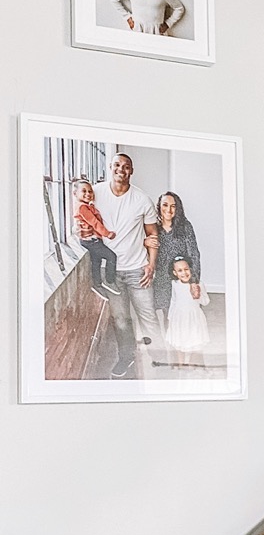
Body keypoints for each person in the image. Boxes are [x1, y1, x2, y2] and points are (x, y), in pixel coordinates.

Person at [92, 152, 159, 378]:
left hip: (138, 270)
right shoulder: (96, 193)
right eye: (117, 165)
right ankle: (126, 357)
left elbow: (153, 235)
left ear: (132, 171)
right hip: (110, 272)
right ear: (110, 167)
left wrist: (151, 265)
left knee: (148, 316)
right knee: (121, 320)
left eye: (127, 166)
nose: (121, 169)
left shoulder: (142, 199)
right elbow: (80, 218)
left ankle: (159, 357)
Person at [153, 191, 202, 336]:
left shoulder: (185, 226)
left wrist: (194, 281)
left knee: (184, 313)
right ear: (159, 206)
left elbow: (194, 254)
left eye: (173, 206)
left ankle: (185, 345)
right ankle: (172, 345)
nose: (169, 210)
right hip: (161, 278)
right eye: (165, 205)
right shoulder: (154, 227)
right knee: (168, 313)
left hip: (181, 279)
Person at [72, 179, 119, 298]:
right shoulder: (82, 207)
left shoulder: (87, 206)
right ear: (75, 193)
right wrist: (107, 234)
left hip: (91, 240)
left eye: (90, 191)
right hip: (90, 242)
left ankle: (97, 285)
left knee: (96, 262)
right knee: (111, 256)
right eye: (84, 191)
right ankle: (110, 281)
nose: (88, 194)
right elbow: (94, 223)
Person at [165, 256, 210, 367]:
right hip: (179, 318)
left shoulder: (199, 284)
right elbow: (174, 300)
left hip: (193, 318)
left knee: (194, 340)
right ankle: (181, 364)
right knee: (179, 341)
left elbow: (206, 301)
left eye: (186, 269)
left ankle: (192, 363)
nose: (184, 273)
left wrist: (197, 295)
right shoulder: (174, 284)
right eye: (180, 271)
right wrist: (170, 318)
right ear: (175, 273)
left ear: (190, 269)